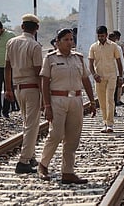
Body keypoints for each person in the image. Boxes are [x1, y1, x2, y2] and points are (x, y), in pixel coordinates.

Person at [38, 28, 96, 184]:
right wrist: (47, 106)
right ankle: (43, 165)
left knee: (72, 138)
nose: (70, 42)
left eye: (71, 39)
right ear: (58, 42)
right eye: (66, 40)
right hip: (57, 100)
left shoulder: (78, 58)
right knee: (55, 134)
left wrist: (92, 101)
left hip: (76, 100)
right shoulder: (50, 59)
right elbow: (44, 83)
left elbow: (85, 80)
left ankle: (68, 172)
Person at [4, 14, 42, 174]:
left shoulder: (11, 42)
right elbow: (38, 72)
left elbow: (7, 67)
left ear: (22, 27)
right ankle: (24, 160)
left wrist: (8, 89)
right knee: (32, 124)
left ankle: (31, 155)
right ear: (36, 28)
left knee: (26, 122)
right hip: (32, 88)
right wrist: (45, 94)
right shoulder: (34, 46)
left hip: (17, 87)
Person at [88, 26, 123, 133]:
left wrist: (120, 76)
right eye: (99, 36)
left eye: (102, 36)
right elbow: (90, 63)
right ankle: (104, 122)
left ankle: (110, 124)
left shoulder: (113, 46)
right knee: (102, 101)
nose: (100, 38)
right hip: (99, 78)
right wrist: (94, 74)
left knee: (110, 99)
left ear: (106, 35)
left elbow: (118, 62)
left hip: (111, 76)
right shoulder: (93, 47)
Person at [108, 32, 124, 109]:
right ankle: (111, 108)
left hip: (114, 73)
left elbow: (120, 61)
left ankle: (112, 109)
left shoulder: (118, 48)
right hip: (111, 73)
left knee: (113, 91)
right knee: (111, 91)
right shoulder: (118, 47)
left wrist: (120, 74)